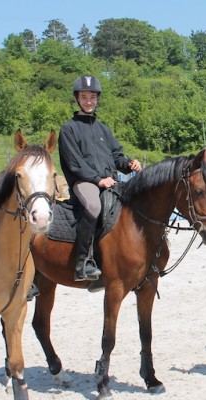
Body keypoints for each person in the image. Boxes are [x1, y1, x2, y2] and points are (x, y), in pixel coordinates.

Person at [58, 75, 142, 281]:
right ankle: (82, 263)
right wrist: (98, 180)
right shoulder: (69, 129)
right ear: (77, 99)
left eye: (92, 97)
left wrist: (129, 164)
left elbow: (116, 155)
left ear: (97, 99)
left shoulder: (103, 128)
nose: (89, 101)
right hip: (84, 182)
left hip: (110, 181)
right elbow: (74, 163)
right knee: (94, 206)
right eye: (84, 97)